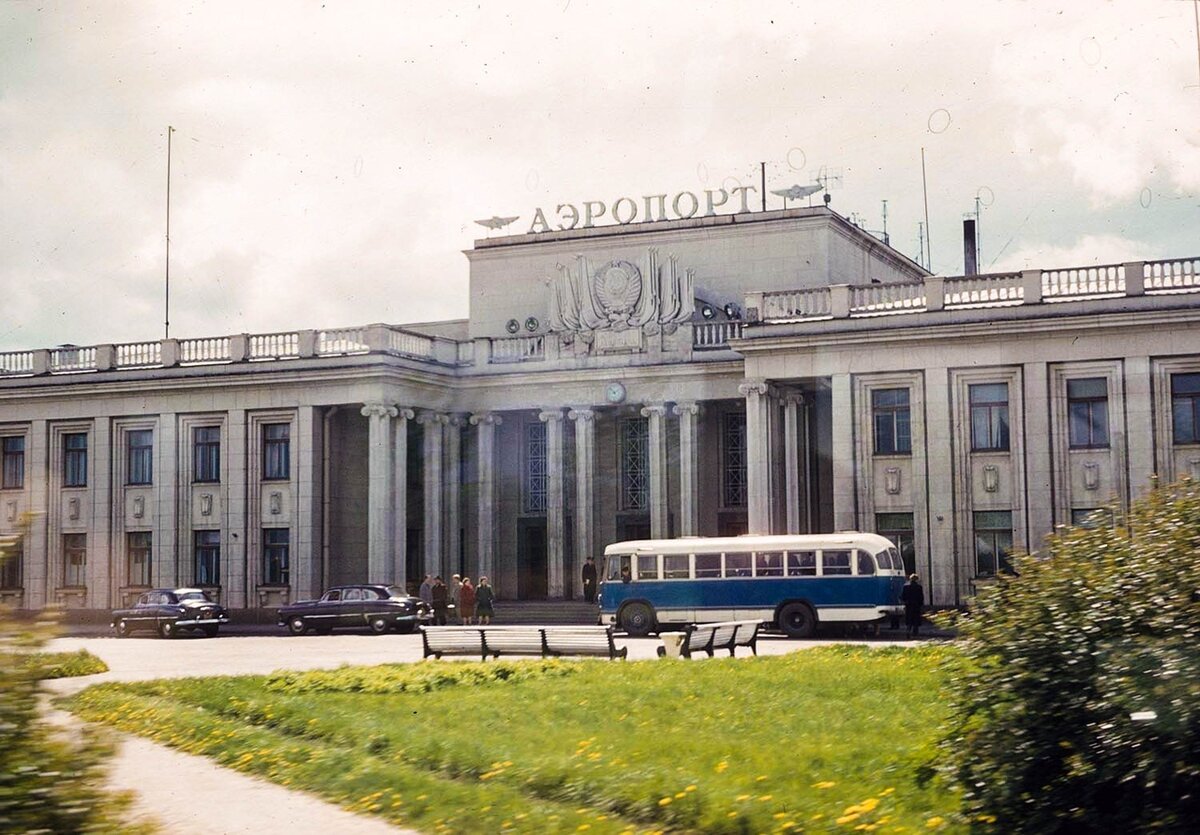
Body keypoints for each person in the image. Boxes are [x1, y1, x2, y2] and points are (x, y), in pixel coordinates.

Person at [901, 573, 924, 638]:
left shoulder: (906, 587)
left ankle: (908, 632)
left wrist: (905, 602)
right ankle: (915, 634)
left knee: (909, 620)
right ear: (917, 579)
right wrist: (921, 604)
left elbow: (903, 596)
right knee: (916, 620)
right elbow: (921, 597)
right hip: (916, 605)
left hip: (908, 605)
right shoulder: (919, 587)